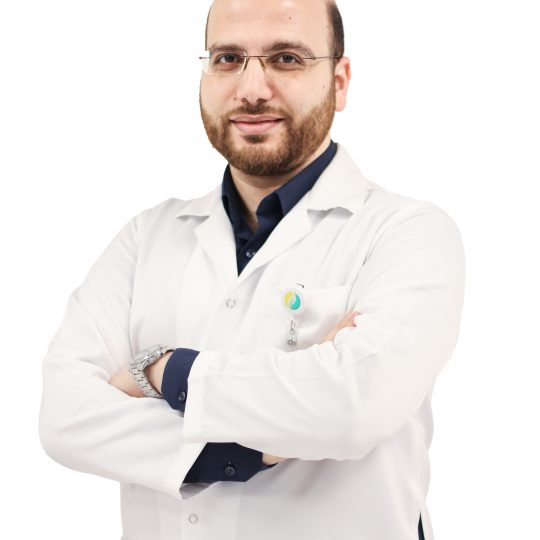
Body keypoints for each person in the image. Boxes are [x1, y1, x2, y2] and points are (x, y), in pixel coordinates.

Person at [38, 1, 465, 539]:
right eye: (228, 58)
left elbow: (355, 406)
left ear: (339, 82)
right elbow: (65, 416)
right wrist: (248, 449)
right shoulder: (148, 237)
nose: (251, 88)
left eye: (286, 58)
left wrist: (164, 370)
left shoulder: (409, 233)